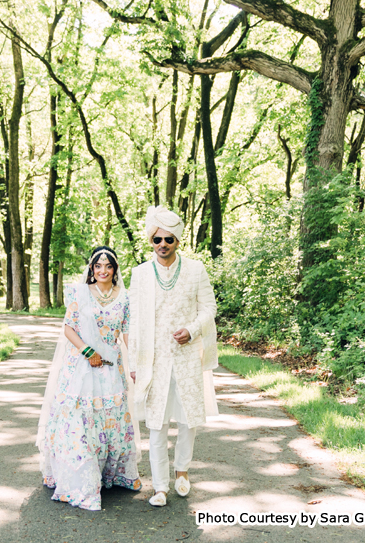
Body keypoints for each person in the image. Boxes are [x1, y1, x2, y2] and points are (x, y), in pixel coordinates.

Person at [37, 246, 142, 511]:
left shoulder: (126, 298)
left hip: (110, 369)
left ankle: (113, 474)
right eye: (98, 266)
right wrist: (88, 351)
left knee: (109, 419)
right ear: (92, 269)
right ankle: (82, 481)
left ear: (115, 269)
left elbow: (127, 333)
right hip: (82, 367)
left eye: (108, 266)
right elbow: (69, 328)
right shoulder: (80, 293)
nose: (103, 271)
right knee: (82, 421)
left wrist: (138, 363)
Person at [129, 206, 219, 507]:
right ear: (151, 241)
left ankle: (182, 471)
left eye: (169, 239)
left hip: (187, 357)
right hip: (152, 361)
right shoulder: (140, 274)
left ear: (178, 241)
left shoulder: (196, 270)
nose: (163, 245)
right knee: (155, 425)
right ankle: (160, 487)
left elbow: (209, 309)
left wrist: (192, 330)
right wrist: (133, 364)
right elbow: (135, 322)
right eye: (157, 240)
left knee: (187, 421)